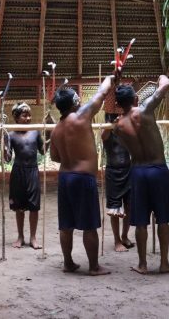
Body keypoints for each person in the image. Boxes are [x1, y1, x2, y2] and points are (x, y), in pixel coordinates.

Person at [50, 76, 115, 276]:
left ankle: (68, 262)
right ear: (75, 102)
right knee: (89, 225)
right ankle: (94, 266)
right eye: (77, 97)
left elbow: (55, 156)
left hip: (65, 178)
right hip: (82, 179)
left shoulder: (56, 130)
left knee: (66, 224)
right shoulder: (82, 116)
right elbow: (101, 93)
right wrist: (111, 77)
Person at [114, 75, 169, 274]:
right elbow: (165, 83)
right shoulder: (146, 108)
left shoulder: (118, 126)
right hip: (157, 169)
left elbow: (126, 146)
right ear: (135, 100)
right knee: (163, 218)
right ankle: (164, 263)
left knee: (140, 220)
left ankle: (142, 264)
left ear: (118, 105)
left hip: (138, 171)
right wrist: (162, 76)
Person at [4, 102, 52, 250]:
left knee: (34, 207)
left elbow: (43, 151)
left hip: (32, 171)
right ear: (17, 118)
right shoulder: (10, 135)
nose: (28, 118)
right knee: (19, 207)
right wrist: (4, 144)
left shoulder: (36, 133)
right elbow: (7, 158)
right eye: (24, 115)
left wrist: (49, 134)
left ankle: (33, 238)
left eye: (29, 115)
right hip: (18, 172)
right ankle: (20, 237)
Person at [102, 112, 133, 252]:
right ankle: (116, 241)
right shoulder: (107, 133)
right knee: (114, 208)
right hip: (113, 173)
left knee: (129, 206)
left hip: (128, 171)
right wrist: (111, 124)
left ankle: (124, 236)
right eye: (115, 117)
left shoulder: (126, 133)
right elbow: (103, 135)